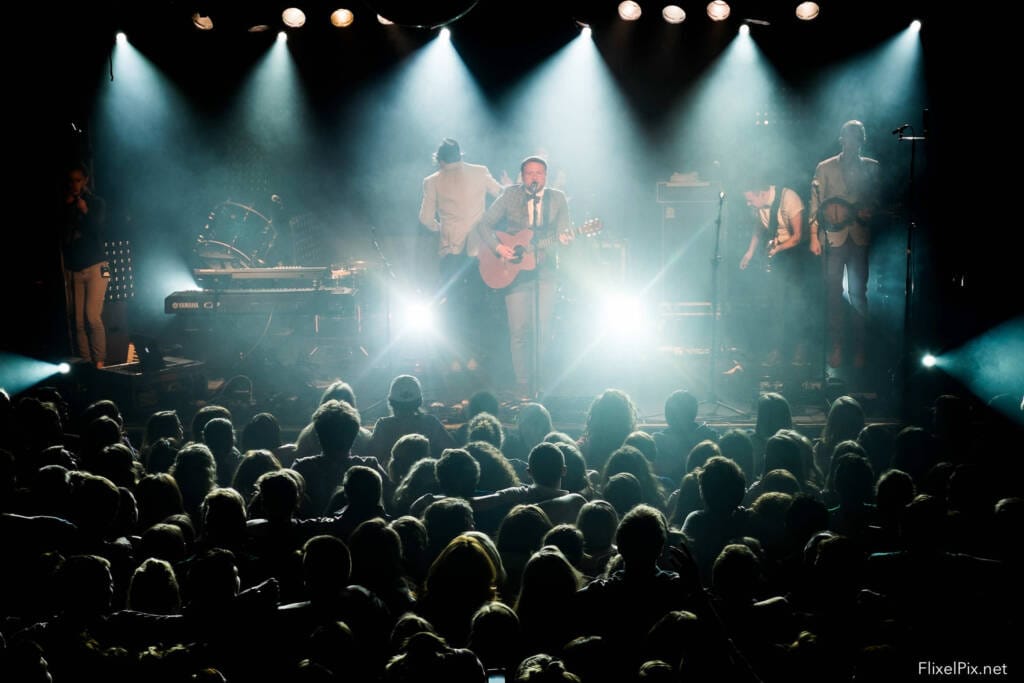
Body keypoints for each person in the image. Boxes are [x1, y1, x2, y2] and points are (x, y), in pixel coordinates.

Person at [475, 155, 573, 398]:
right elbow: (484, 224)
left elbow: (564, 233)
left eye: (539, 173)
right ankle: (522, 382)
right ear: (522, 177)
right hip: (514, 272)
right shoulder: (510, 195)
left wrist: (565, 239)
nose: (534, 177)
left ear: (546, 177)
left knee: (542, 328)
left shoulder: (557, 198)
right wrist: (499, 248)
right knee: (519, 330)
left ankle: (540, 381)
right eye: (529, 173)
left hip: (545, 271)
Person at [419, 138, 503, 370]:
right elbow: (502, 196)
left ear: (440, 159)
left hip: (451, 250)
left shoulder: (433, 181)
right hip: (479, 249)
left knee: (452, 307)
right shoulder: (479, 171)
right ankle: (477, 358)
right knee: (478, 305)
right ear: (461, 155)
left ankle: (454, 359)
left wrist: (441, 228)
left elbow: (425, 219)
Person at [809, 120, 881, 369]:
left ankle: (860, 350)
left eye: (857, 139)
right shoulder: (825, 167)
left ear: (862, 141)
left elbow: (877, 198)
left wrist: (872, 211)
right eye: (848, 138)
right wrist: (813, 237)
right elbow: (815, 204)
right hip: (832, 237)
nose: (852, 143)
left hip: (859, 236)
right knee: (833, 295)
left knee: (859, 294)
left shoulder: (872, 167)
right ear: (841, 139)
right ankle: (836, 348)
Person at [739, 177, 807, 367]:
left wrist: (777, 249)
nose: (748, 203)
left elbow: (798, 236)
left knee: (796, 304)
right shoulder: (759, 207)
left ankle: (799, 350)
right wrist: (750, 252)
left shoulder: (789, 198)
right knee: (777, 306)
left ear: (761, 193)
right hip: (777, 255)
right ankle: (777, 350)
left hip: (795, 255)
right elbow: (759, 227)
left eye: (750, 199)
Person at [61, 161, 108, 367]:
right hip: (73, 268)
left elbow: (96, 230)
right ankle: (85, 363)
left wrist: (85, 211)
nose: (74, 184)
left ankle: (99, 362)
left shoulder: (96, 203)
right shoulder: (66, 205)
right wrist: (68, 208)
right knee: (77, 321)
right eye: (71, 181)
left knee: (92, 317)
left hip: (97, 266)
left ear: (85, 181)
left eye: (78, 180)